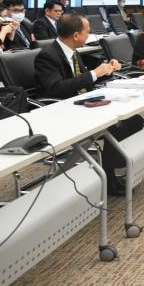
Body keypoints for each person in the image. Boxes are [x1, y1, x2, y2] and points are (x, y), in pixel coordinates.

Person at [33, 13, 136, 196]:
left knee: (133, 120)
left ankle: (117, 165)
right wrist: (94, 74)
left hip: (84, 103)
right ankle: (109, 178)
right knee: (118, 126)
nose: (89, 35)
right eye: (87, 31)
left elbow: (85, 80)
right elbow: (56, 88)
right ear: (76, 35)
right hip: (62, 109)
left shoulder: (72, 51)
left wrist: (107, 70)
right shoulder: (48, 56)